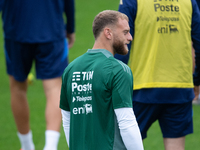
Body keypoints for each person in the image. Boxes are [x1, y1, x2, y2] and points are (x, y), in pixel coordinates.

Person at [115, 0, 200, 150]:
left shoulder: (132, 1)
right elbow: (199, 43)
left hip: (142, 87)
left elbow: (121, 42)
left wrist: (113, 83)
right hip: (180, 86)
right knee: (176, 146)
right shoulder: (189, 2)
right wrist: (197, 80)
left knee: (124, 144)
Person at [60, 10, 144, 150]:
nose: (130, 37)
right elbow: (127, 122)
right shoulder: (118, 70)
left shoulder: (71, 69)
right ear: (108, 33)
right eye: (125, 32)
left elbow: (67, 120)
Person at [1, 0, 75, 150]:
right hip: (51, 27)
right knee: (54, 88)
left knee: (17, 88)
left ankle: (27, 146)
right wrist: (71, 27)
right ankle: (51, 147)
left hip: (16, 30)